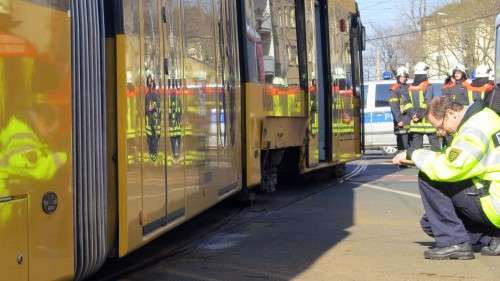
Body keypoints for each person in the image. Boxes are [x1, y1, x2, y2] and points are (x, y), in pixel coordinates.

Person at [393, 96, 500, 260]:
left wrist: (414, 154)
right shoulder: (485, 116)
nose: (440, 132)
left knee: (429, 175)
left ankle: (454, 243)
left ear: (451, 113)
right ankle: (493, 237)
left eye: (440, 126)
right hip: (492, 194)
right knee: (430, 223)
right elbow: (457, 157)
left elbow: (451, 167)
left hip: (494, 203)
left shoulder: (474, 129)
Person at [402, 62, 440, 151]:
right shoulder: (428, 86)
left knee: (416, 147)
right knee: (435, 145)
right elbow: (427, 102)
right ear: (425, 74)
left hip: (415, 122)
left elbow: (406, 102)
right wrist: (418, 115)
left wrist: (413, 115)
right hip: (428, 120)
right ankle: (437, 162)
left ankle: (416, 163)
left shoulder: (410, 88)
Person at [389, 66, 411, 151]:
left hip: (409, 120)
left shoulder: (409, 87)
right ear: (398, 77)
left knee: (410, 144)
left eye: (405, 76)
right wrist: (399, 120)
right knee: (403, 145)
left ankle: (408, 162)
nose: (403, 78)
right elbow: (394, 106)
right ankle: (402, 164)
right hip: (401, 121)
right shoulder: (394, 89)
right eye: (402, 76)